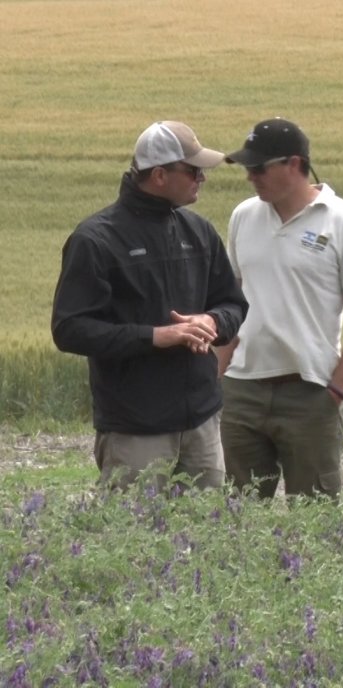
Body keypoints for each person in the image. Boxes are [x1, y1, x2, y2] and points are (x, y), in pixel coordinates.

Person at [52, 121, 248, 490]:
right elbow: (69, 329)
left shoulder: (199, 231)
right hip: (135, 428)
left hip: (202, 422)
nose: (202, 178)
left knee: (207, 537)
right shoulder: (95, 239)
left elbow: (233, 304)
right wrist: (156, 337)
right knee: (131, 539)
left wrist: (212, 321)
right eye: (193, 170)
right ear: (159, 175)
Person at [217, 118, 343, 499]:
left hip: (310, 391)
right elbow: (232, 303)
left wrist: (336, 390)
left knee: (315, 518)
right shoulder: (243, 216)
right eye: (247, 169)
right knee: (237, 517)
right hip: (242, 389)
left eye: (258, 168)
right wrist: (218, 373)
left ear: (294, 164)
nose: (250, 178)